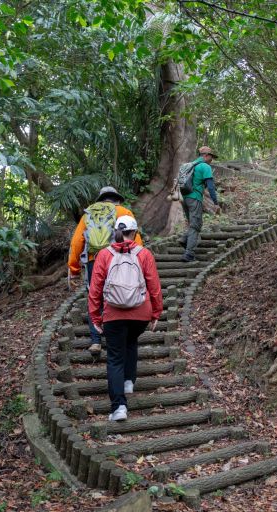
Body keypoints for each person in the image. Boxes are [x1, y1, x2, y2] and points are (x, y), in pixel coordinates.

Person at [88, 215, 162, 422]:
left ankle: (119, 407)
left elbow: (95, 290)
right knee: (131, 341)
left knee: (114, 357)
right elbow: (154, 286)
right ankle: (129, 381)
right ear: (135, 233)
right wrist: (156, 312)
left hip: (113, 314)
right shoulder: (144, 254)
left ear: (116, 232)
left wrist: (95, 316)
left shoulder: (104, 255)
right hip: (140, 313)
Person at [68, 186, 143, 356]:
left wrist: (73, 268)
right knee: (119, 294)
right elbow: (136, 240)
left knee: (95, 296)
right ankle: (116, 338)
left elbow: (76, 242)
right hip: (119, 260)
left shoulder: (89, 214)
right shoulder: (124, 211)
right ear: (116, 199)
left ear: (101, 199)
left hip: (94, 261)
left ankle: (96, 341)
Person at [180, 146, 221, 262]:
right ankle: (189, 254)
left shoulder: (191, 165)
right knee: (196, 225)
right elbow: (211, 187)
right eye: (211, 157)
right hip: (194, 198)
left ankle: (184, 239)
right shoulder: (205, 166)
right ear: (206, 155)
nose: (212, 159)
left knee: (193, 223)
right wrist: (215, 203)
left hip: (184, 198)